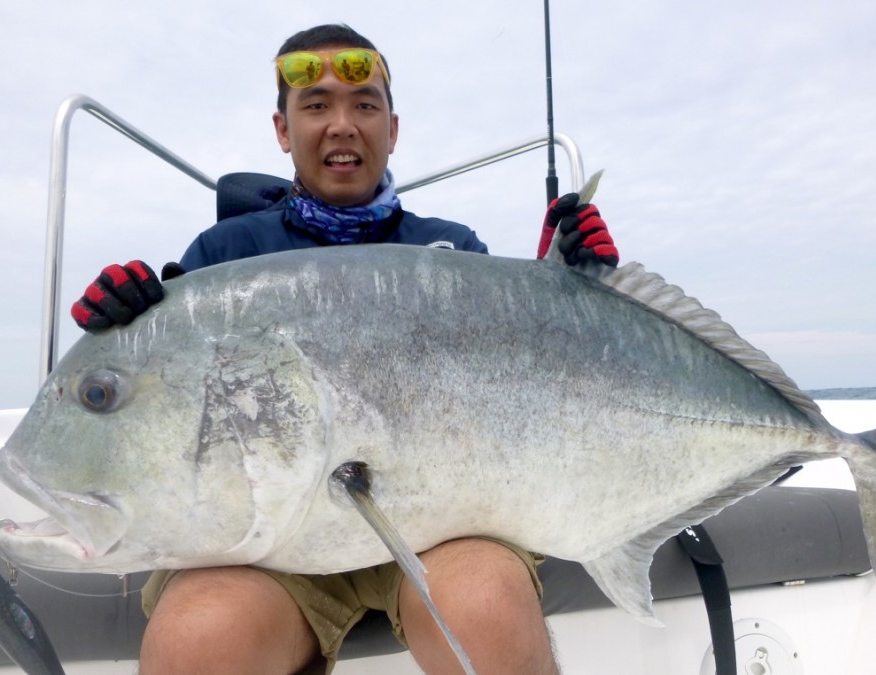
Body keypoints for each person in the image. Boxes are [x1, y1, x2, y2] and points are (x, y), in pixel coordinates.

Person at [71, 24, 619, 675]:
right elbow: (167, 403)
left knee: (487, 611)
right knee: (198, 641)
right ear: (282, 129)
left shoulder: (449, 248)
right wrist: (122, 330)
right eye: (316, 104)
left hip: (441, 521)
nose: (342, 124)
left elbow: (524, 382)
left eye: (364, 104)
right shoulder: (224, 255)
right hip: (265, 545)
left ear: (392, 127)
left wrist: (571, 294)